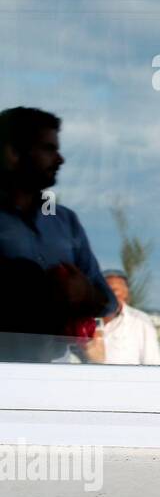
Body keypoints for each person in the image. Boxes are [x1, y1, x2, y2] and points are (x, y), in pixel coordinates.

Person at [0, 106, 115, 363]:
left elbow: (107, 302)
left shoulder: (65, 222)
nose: (60, 160)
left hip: (53, 380)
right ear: (13, 153)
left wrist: (85, 294)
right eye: (49, 149)